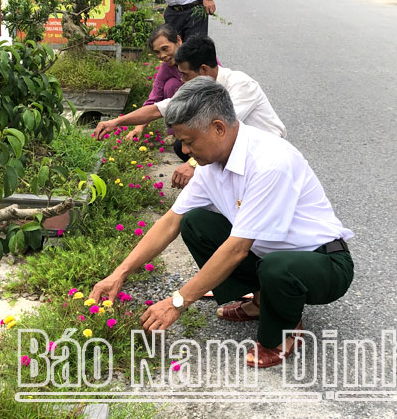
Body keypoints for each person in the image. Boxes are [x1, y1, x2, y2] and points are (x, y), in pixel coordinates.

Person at [89, 77, 354, 368]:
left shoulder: (270, 161)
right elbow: (170, 223)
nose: (186, 152)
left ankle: (284, 333)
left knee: (278, 269)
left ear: (218, 128)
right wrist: (120, 273)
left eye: (189, 142)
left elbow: (238, 248)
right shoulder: (211, 165)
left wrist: (178, 301)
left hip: (321, 262)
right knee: (195, 222)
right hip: (269, 255)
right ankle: (259, 301)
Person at [92, 35, 285, 188]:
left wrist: (193, 164)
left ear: (203, 69)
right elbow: (158, 109)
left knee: (195, 150)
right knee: (181, 146)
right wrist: (115, 122)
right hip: (234, 151)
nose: (182, 81)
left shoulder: (241, 85)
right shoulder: (199, 86)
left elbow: (222, 131)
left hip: (265, 155)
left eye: (185, 74)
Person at [123, 25, 184, 142]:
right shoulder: (167, 67)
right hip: (185, 105)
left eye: (165, 49)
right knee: (171, 85)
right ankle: (176, 133)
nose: (162, 56)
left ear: (178, 41)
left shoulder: (198, 54)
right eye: (157, 52)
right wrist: (138, 127)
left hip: (207, 105)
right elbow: (154, 98)